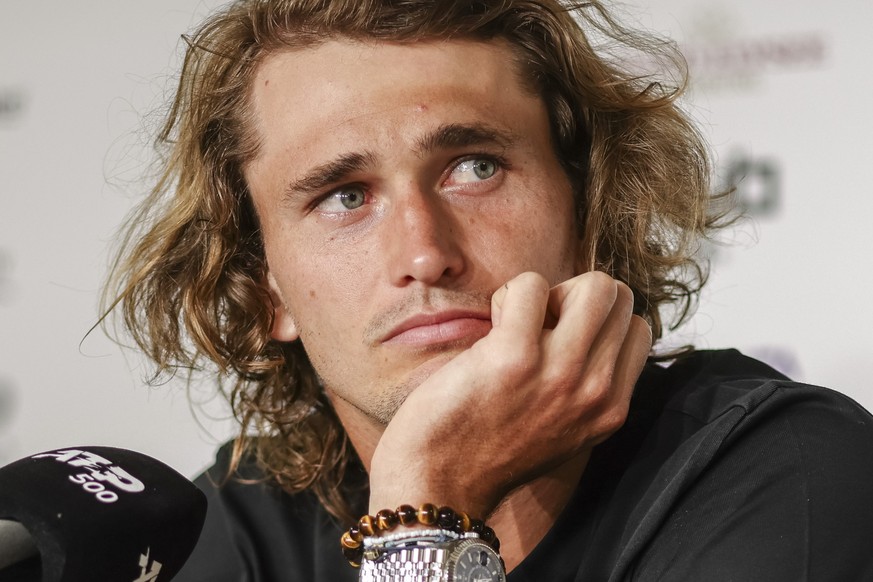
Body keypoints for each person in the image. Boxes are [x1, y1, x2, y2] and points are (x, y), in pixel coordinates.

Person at [104, 0, 873, 580]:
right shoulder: (243, 521)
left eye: (475, 167)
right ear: (263, 289)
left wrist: (424, 501)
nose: (425, 254)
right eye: (344, 195)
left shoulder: (790, 469)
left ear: (587, 212)